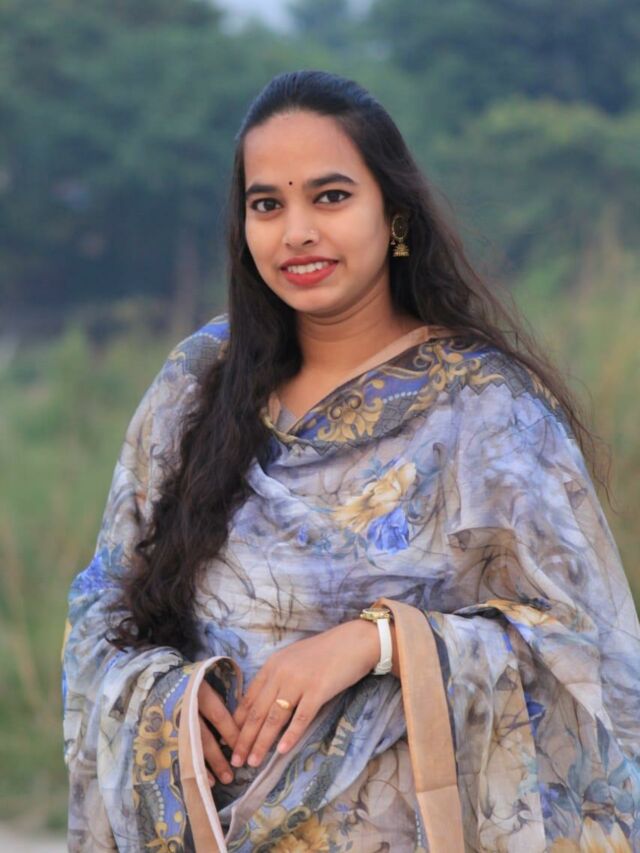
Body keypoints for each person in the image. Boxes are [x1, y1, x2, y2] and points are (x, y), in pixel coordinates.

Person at [62, 69, 640, 852]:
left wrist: (378, 643)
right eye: (268, 204)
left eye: (330, 197)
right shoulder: (197, 382)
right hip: (211, 828)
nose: (296, 231)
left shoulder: (483, 407)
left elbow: (585, 653)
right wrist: (165, 701)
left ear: (393, 213)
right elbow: (105, 603)